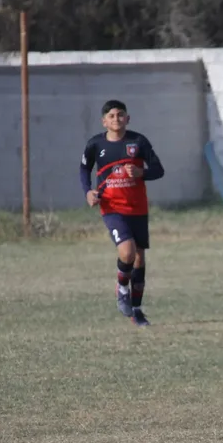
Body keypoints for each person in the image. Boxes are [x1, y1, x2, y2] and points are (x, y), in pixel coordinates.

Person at [80, 99, 164, 327]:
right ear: (104, 121)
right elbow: (84, 168)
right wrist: (88, 192)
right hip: (112, 207)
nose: (116, 119)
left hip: (138, 208)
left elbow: (158, 170)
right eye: (111, 116)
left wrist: (140, 172)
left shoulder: (138, 142)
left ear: (128, 118)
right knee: (127, 252)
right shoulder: (95, 145)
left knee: (139, 259)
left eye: (120, 115)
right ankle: (121, 288)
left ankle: (136, 311)